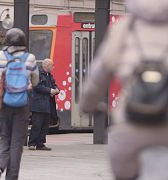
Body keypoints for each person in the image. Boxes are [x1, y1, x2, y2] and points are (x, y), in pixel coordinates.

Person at [80, 0, 168, 179]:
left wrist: (87, 104)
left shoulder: (125, 27)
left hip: (131, 125)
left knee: (122, 170)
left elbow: (99, 75)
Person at [0, 28, 39, 180]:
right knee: (17, 141)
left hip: (4, 101)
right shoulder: (30, 58)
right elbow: (35, 81)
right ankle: (11, 176)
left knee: (4, 137)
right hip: (22, 103)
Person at [28, 58, 59, 151]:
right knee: (37, 124)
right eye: (52, 65)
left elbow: (54, 84)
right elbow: (37, 86)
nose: (53, 67)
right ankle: (32, 143)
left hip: (48, 104)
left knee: (45, 125)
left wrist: (56, 89)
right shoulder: (38, 74)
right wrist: (49, 90)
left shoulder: (49, 75)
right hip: (38, 104)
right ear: (47, 66)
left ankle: (40, 143)